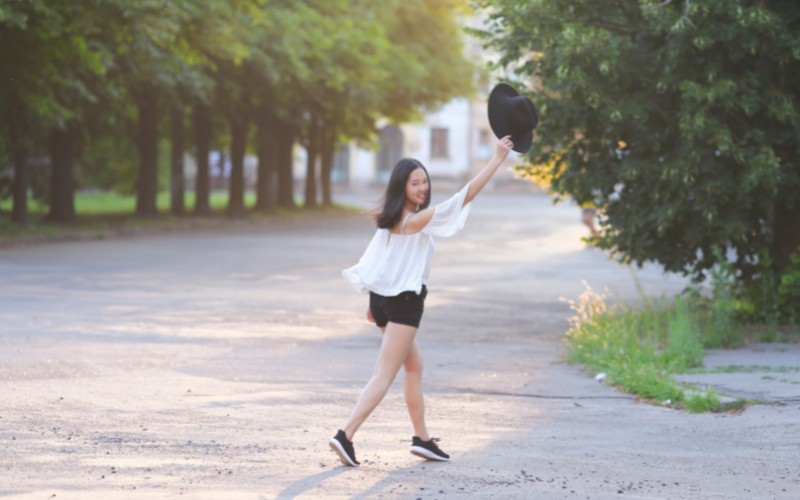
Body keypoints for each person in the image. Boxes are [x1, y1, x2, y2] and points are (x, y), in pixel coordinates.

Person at [329, 135, 515, 467]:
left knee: (414, 366)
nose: (423, 188)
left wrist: (374, 306)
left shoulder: (389, 221)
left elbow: (379, 262)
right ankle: (345, 435)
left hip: (385, 302)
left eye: (425, 182)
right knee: (383, 374)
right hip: (402, 304)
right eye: (416, 183)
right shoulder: (414, 220)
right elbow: (465, 196)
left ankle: (422, 439)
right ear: (402, 186)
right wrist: (497, 159)